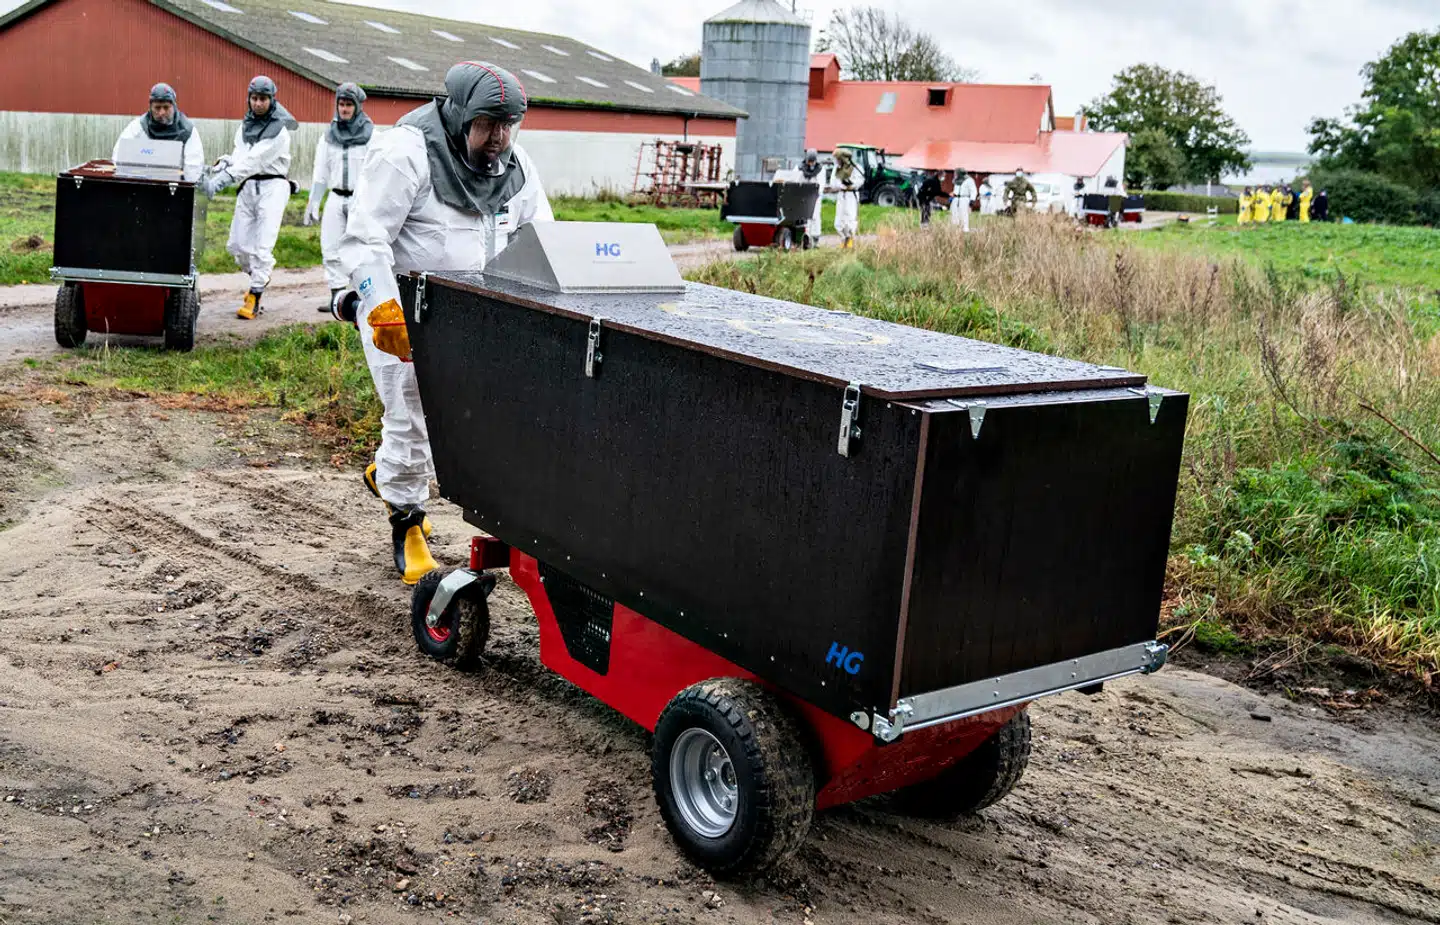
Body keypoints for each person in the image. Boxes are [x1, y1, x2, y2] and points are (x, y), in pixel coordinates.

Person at [332, 62, 553, 584]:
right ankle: (407, 523)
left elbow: (542, 238)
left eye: (508, 125)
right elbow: (364, 239)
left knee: (464, 421)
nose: (498, 138)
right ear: (458, 115)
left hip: (476, 317)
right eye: (487, 124)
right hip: (405, 312)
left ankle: (389, 474)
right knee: (410, 413)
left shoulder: (516, 167)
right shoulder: (405, 154)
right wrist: (381, 307)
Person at [201, 76, 298, 320]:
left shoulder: (279, 131)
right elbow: (241, 156)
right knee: (237, 245)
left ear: (272, 100)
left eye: (263, 99)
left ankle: (255, 295)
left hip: (272, 187)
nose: (258, 103)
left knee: (262, 246)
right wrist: (225, 163)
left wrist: (222, 181)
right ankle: (259, 277)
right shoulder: (245, 126)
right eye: (254, 98)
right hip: (248, 186)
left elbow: (254, 161)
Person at [307, 83, 375, 312]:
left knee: (360, 248)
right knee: (331, 247)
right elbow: (320, 171)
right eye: (341, 104)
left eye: (348, 105)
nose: (344, 109)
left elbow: (376, 171)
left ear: (357, 106)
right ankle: (337, 299)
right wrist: (314, 201)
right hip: (336, 197)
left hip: (360, 199)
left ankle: (363, 297)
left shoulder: (371, 135)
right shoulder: (329, 136)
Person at [113, 83, 205, 182]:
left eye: (166, 107)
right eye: (157, 108)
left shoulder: (187, 131)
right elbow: (119, 156)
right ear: (150, 107)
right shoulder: (138, 127)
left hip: (175, 185)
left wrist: (185, 187)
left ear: (174, 106)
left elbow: (193, 170)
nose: (161, 113)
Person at [831, 148, 860, 247]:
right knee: (839, 220)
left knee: (850, 218)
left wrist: (852, 185)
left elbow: (860, 180)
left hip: (851, 195)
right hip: (841, 194)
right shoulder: (837, 168)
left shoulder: (855, 168)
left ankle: (850, 240)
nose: (837, 161)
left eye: (838, 158)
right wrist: (841, 186)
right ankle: (844, 239)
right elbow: (833, 183)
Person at [799, 149, 824, 246]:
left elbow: (821, 184)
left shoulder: (820, 169)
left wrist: (816, 192)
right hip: (804, 196)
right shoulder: (800, 168)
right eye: (809, 161)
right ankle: (806, 238)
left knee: (815, 216)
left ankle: (815, 239)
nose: (811, 163)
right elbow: (797, 180)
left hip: (815, 196)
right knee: (804, 217)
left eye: (813, 161)